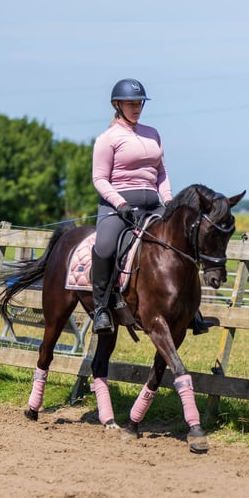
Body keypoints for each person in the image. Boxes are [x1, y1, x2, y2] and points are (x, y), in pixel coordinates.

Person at [90, 78, 172, 334]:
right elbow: (99, 178)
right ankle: (101, 309)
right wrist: (119, 203)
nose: (137, 108)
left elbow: (161, 173)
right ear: (118, 104)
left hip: (153, 204)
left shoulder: (153, 133)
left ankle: (189, 307)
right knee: (104, 247)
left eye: (139, 103)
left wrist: (168, 200)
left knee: (180, 241)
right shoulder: (108, 138)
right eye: (131, 103)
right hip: (119, 206)